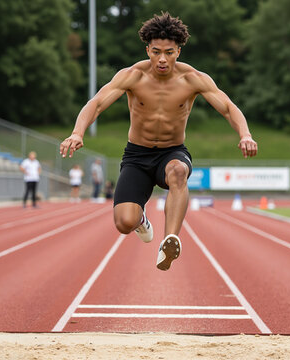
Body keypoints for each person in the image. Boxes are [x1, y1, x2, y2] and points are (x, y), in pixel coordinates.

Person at [60, 13, 258, 271]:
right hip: (137, 156)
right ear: (147, 50)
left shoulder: (193, 79)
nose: (162, 59)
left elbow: (229, 108)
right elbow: (96, 103)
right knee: (124, 223)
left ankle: (170, 239)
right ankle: (141, 219)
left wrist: (245, 134)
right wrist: (77, 132)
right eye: (155, 52)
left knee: (178, 172)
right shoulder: (132, 76)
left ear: (179, 51)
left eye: (168, 52)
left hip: (172, 152)